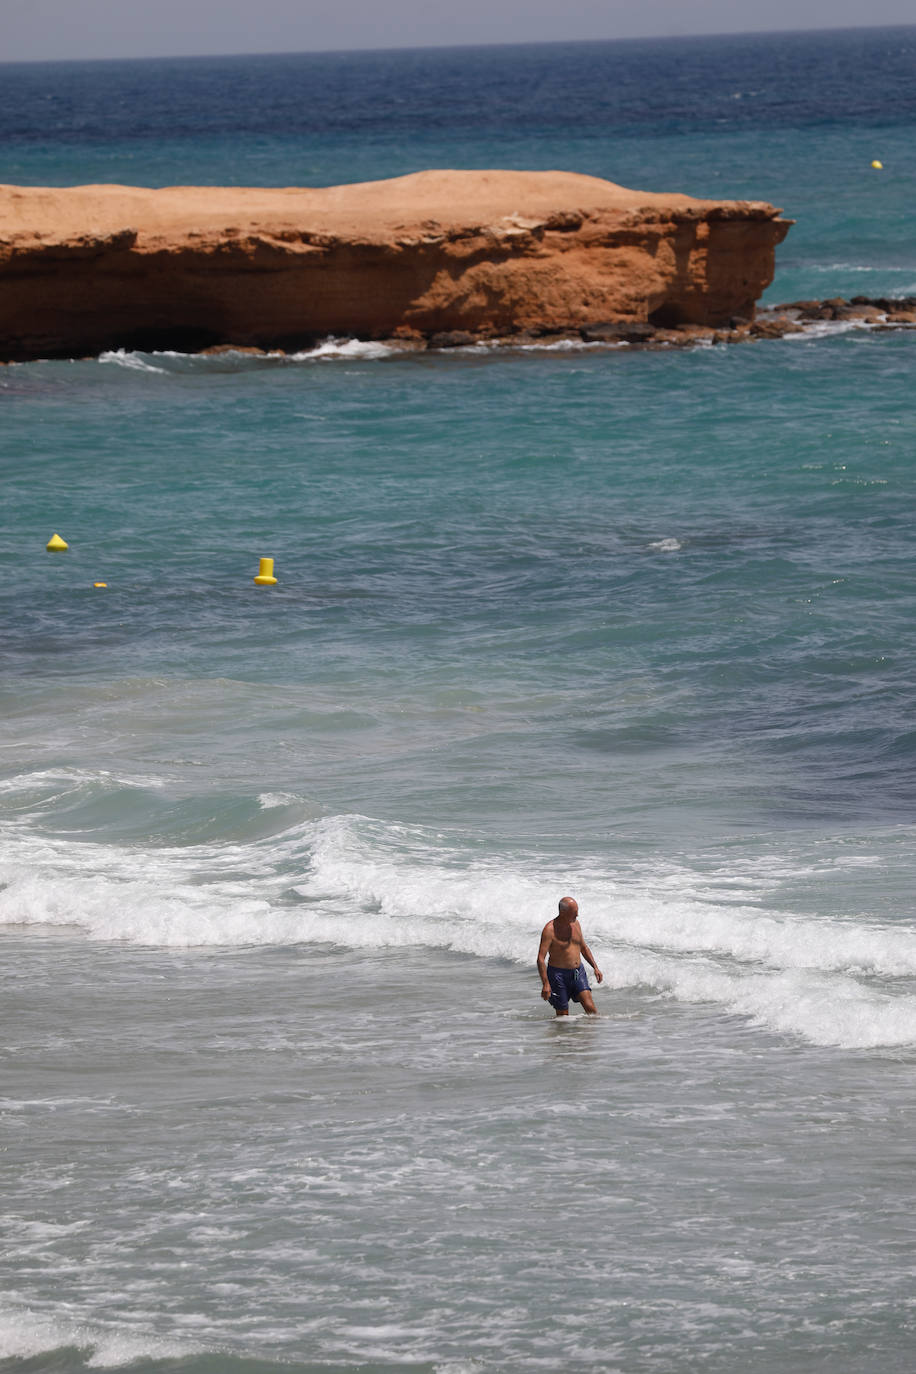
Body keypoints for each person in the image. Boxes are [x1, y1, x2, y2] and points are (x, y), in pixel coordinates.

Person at [537, 896, 603, 1016]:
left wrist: (595, 967)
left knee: (591, 1010)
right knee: (563, 1016)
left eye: (577, 911)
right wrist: (545, 984)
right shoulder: (549, 930)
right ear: (563, 912)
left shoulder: (576, 924)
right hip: (558, 976)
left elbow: (583, 948)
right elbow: (541, 959)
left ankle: (591, 1034)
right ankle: (563, 1035)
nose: (577, 915)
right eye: (574, 912)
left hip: (577, 973)